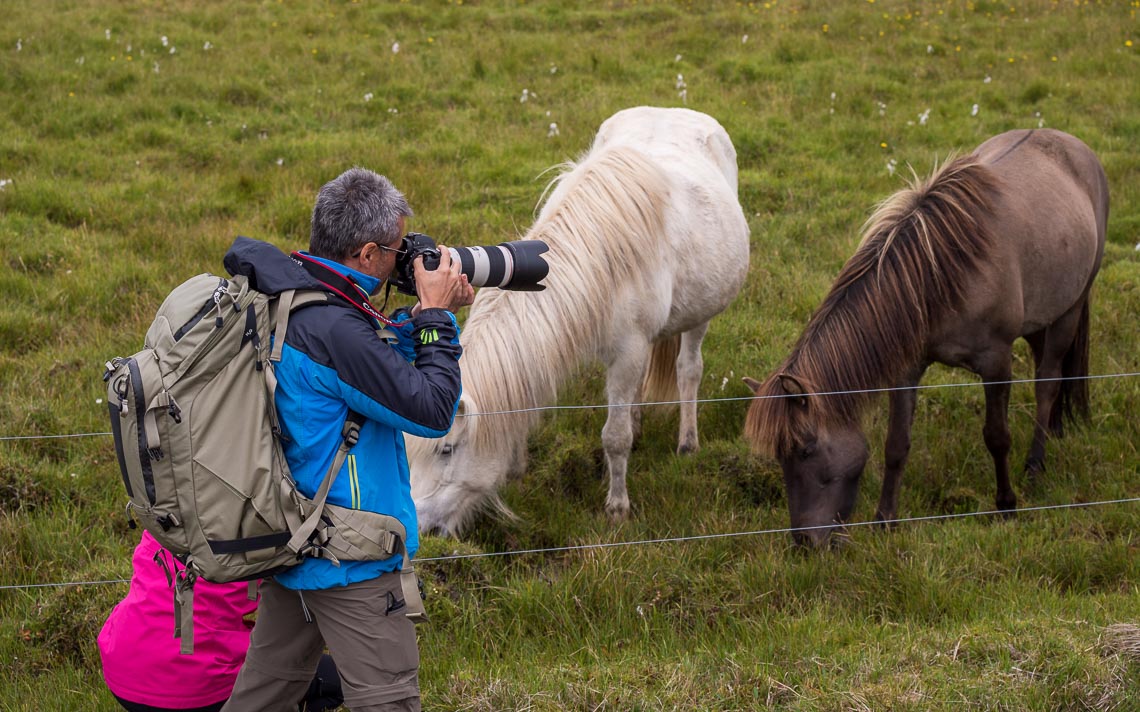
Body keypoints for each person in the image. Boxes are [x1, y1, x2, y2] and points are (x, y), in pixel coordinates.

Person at [220, 167, 474, 712]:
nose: (403, 259)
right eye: (396, 249)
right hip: (351, 558)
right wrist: (436, 320)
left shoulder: (291, 293)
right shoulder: (336, 329)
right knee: (388, 701)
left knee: (263, 697)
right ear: (365, 254)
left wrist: (409, 328)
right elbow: (432, 410)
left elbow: (360, 368)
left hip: (289, 538)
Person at [98, 530, 344, 712]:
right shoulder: (260, 525)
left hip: (122, 664)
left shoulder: (166, 509)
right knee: (335, 680)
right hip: (195, 683)